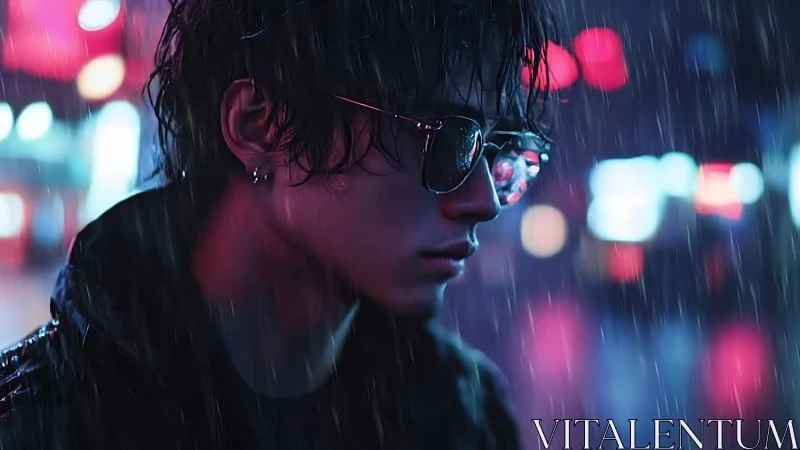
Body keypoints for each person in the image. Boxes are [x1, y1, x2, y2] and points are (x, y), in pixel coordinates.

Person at [0, 0, 553, 448]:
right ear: (260, 127)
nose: (485, 199)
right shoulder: (39, 422)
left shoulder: (463, 418)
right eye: (449, 138)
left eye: (500, 152)